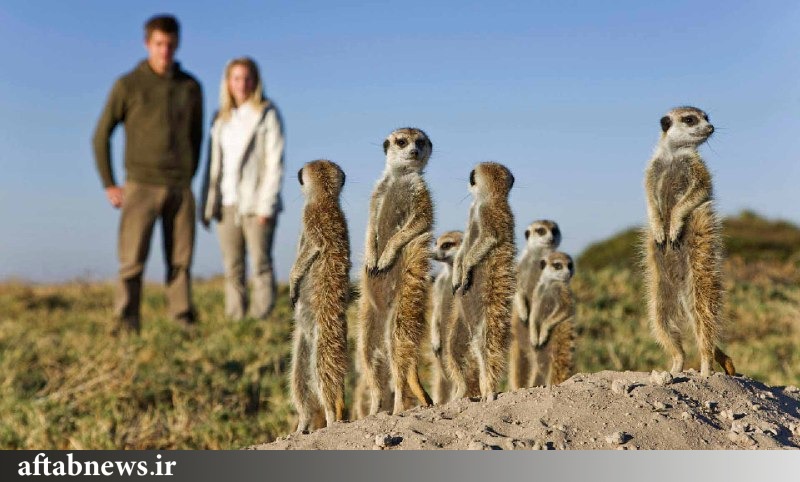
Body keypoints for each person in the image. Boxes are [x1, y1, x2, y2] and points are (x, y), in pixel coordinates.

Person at [92, 14, 203, 333]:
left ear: (178, 44)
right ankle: (126, 322)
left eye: (170, 44)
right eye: (158, 44)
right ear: (147, 44)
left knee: (180, 262)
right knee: (132, 261)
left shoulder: (190, 86)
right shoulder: (128, 84)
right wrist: (109, 183)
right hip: (140, 184)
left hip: (180, 187)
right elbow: (101, 135)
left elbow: (196, 137)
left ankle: (183, 322)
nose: (165, 51)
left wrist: (188, 174)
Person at [200, 57, 285, 321]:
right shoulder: (220, 118)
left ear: (255, 81)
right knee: (232, 267)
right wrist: (208, 202)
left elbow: (275, 162)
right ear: (228, 82)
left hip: (257, 203)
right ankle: (236, 320)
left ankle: (262, 319)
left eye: (247, 78)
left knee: (261, 264)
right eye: (236, 78)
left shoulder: (267, 113)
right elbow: (213, 165)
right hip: (227, 202)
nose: (242, 83)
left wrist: (266, 204)